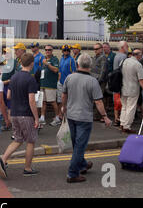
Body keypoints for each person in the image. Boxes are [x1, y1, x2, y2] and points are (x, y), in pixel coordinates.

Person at [61, 53, 112, 183]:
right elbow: (99, 102)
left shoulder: (69, 77)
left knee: (77, 144)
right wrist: (105, 117)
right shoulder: (93, 81)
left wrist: (64, 107)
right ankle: (72, 174)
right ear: (90, 65)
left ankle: (82, 165)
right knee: (79, 146)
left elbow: (64, 95)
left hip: (71, 116)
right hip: (84, 118)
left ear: (78, 64)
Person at [0, 53, 40, 179]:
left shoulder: (14, 77)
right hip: (25, 114)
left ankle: (3, 160)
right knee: (31, 141)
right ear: (32, 63)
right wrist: (36, 118)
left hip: (14, 113)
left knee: (18, 139)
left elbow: (9, 96)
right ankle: (27, 168)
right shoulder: (30, 79)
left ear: (21, 63)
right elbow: (32, 101)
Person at [120, 49, 143, 133]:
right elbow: (141, 80)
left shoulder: (124, 61)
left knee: (124, 106)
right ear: (138, 55)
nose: (141, 56)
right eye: (141, 55)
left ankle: (122, 123)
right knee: (131, 107)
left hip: (123, 87)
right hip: (133, 89)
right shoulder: (137, 64)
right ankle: (127, 126)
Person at [40, 44, 60, 126]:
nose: (47, 51)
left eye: (49, 50)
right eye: (46, 50)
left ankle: (57, 118)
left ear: (52, 51)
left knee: (52, 101)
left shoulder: (54, 59)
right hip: (43, 83)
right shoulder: (44, 59)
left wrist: (47, 64)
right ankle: (42, 117)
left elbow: (55, 70)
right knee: (43, 102)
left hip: (50, 84)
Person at [57, 45, 77, 112]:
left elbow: (74, 72)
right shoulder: (61, 58)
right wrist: (58, 80)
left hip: (68, 82)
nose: (66, 51)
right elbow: (59, 70)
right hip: (61, 82)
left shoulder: (71, 59)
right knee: (60, 99)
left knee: (67, 99)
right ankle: (60, 114)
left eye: (67, 50)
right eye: (64, 50)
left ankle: (67, 113)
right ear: (62, 51)